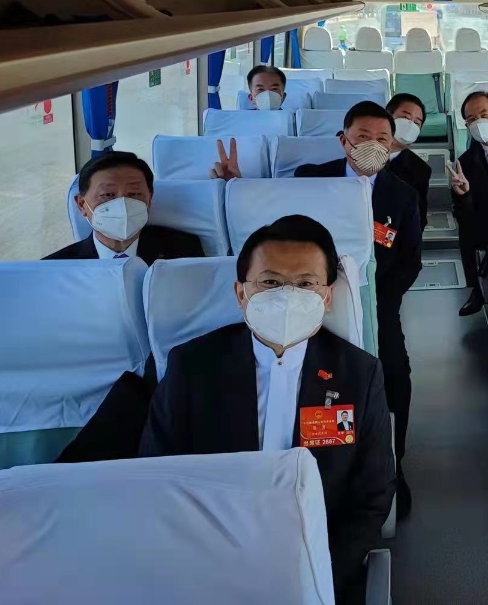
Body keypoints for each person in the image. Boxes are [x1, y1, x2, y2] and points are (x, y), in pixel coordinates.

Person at [139, 215, 395, 605]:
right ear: (241, 294)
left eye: (306, 285)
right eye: (271, 283)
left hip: (318, 562)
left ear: (327, 298)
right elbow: (159, 476)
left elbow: (372, 494)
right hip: (208, 566)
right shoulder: (192, 367)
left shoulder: (358, 375)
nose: (288, 298)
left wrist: (317, 574)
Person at [293, 101, 422, 518]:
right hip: (310, 298)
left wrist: (377, 302)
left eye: (382, 139)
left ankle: (393, 465)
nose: (372, 145)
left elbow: (410, 261)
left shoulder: (401, 194)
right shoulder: (310, 180)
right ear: (343, 140)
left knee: (395, 377)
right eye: (362, 137)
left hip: (377, 301)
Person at [45, 151, 203, 264]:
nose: (123, 205)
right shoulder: (56, 268)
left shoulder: (184, 250)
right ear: (81, 205)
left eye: (134, 194)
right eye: (108, 195)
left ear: (149, 200)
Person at [450, 90, 488, 317]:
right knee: (469, 227)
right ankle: (480, 286)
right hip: (487, 227)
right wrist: (464, 195)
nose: (479, 122)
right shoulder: (464, 163)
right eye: (472, 119)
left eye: (485, 114)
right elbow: (463, 215)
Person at [385, 93, 431, 234]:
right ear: (387, 117)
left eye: (417, 123)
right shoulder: (359, 152)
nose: (410, 125)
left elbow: (418, 220)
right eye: (405, 117)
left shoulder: (420, 169)